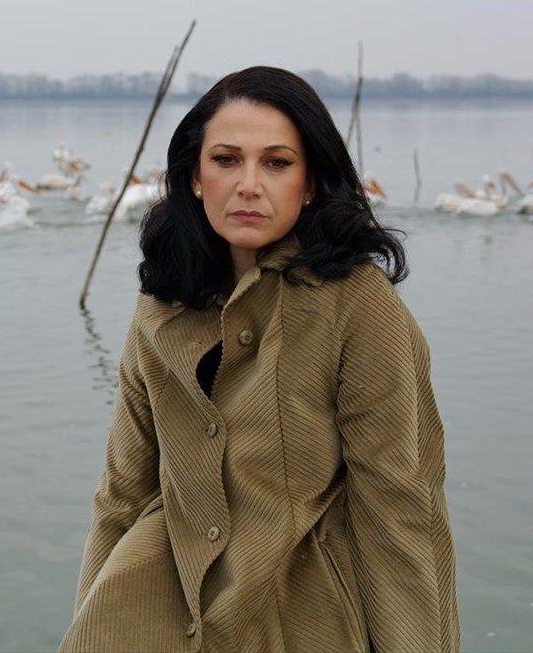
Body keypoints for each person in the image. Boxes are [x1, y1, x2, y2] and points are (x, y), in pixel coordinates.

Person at [59, 67, 459, 652]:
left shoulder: (357, 305)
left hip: (299, 623)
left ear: (311, 181)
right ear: (194, 177)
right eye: (226, 160)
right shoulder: (163, 300)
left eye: (276, 163)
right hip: (145, 617)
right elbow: (123, 491)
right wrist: (87, 619)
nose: (249, 185)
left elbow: (398, 506)